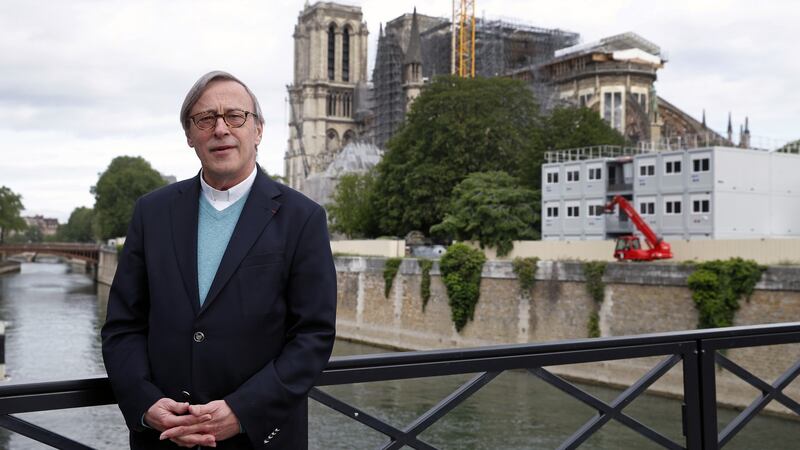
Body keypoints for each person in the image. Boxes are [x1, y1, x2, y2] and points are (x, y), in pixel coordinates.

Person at [101, 70, 337, 449]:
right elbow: (123, 327)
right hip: (165, 438)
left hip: (258, 438)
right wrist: (145, 403)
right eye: (205, 119)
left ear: (258, 129)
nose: (221, 128)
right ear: (190, 136)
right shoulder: (151, 212)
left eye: (235, 116)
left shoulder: (303, 217)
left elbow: (313, 336)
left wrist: (243, 411)